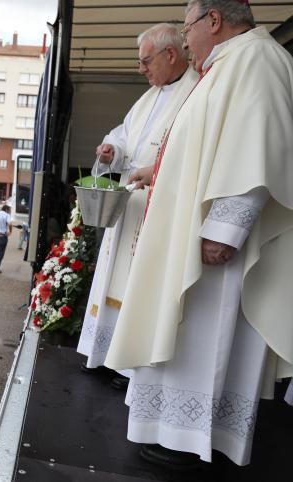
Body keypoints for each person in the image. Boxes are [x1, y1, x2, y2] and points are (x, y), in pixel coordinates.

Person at [107, 0, 293, 467]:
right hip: (193, 230)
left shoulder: (256, 58)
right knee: (185, 330)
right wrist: (160, 172)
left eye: (187, 27)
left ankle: (191, 440)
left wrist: (226, 229)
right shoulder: (227, 64)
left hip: (217, 241)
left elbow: (259, 146)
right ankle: (172, 431)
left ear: (214, 20)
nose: (186, 39)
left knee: (202, 334)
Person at [76, 24, 199, 388]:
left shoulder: (195, 93)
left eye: (146, 61)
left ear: (170, 54)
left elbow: (193, 151)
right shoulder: (149, 97)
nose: (141, 69)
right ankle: (103, 353)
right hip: (130, 203)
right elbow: (125, 134)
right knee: (113, 279)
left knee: (140, 285)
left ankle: (129, 366)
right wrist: (111, 150)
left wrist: (156, 171)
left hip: (160, 204)